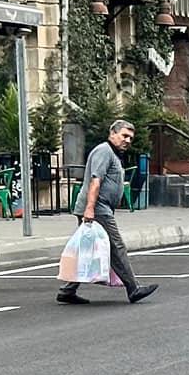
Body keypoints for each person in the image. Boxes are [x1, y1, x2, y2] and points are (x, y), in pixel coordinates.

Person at [58, 119, 157, 306]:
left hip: (101, 208)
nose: (127, 140)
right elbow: (95, 181)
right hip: (97, 208)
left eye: (130, 138)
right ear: (113, 133)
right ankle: (133, 288)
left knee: (88, 250)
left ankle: (67, 291)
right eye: (124, 136)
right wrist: (90, 208)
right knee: (116, 247)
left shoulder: (113, 154)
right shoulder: (104, 151)